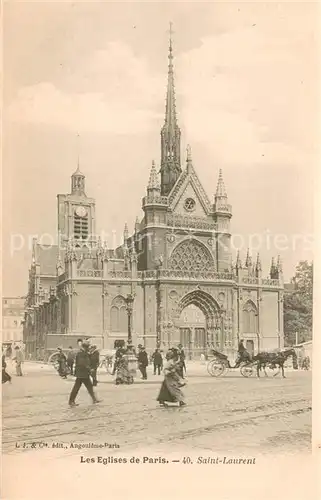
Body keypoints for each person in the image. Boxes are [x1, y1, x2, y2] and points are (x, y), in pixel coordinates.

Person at [68, 341, 101, 407]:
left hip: (84, 373)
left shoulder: (84, 353)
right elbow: (82, 363)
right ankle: (71, 401)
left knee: (89, 387)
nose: (89, 348)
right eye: (88, 347)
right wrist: (89, 369)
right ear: (85, 347)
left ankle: (94, 399)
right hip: (81, 373)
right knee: (77, 387)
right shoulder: (81, 353)